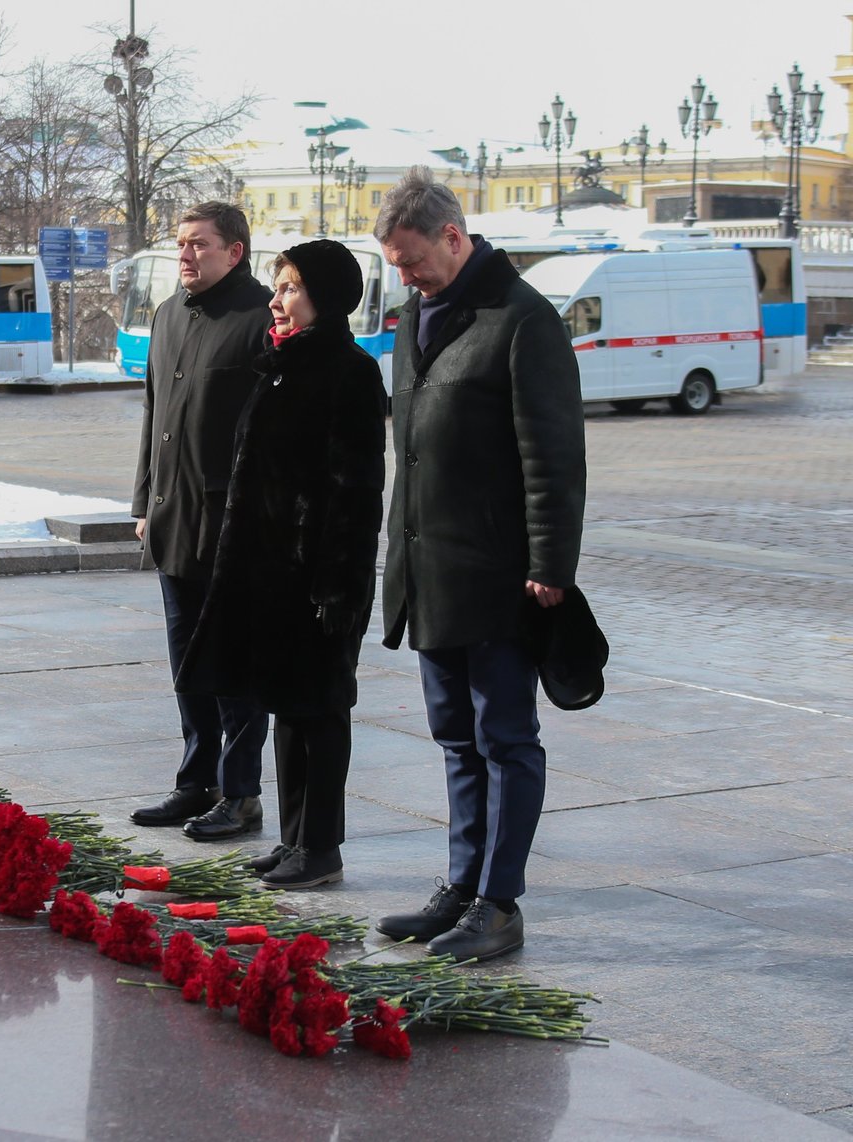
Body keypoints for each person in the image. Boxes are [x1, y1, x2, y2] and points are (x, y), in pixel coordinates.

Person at [371, 166, 586, 961]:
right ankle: (462, 887)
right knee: (456, 737)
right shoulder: (411, 319)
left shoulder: (523, 320)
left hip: (500, 574)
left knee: (506, 738)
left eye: (412, 258)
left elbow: (554, 456)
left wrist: (550, 565)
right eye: (394, 262)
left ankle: (500, 903)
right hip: (429, 573)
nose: (404, 274)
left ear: (453, 237)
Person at [175, 240, 387, 889]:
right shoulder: (282, 366)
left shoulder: (348, 371)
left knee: (319, 715)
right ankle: (295, 838)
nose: (277, 299)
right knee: (290, 712)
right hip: (273, 580)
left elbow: (356, 492)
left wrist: (337, 582)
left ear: (325, 297)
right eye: (279, 286)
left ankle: (320, 846)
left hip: (317, 583)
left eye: (291, 287)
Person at [128, 201, 274, 841]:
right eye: (181, 244)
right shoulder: (166, 316)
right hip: (171, 519)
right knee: (186, 660)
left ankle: (241, 794)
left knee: (237, 666)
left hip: (233, 529)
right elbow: (153, 414)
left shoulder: (261, 317)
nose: (184, 255)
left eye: (199, 245)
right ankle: (197, 781)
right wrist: (142, 501)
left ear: (234, 251)